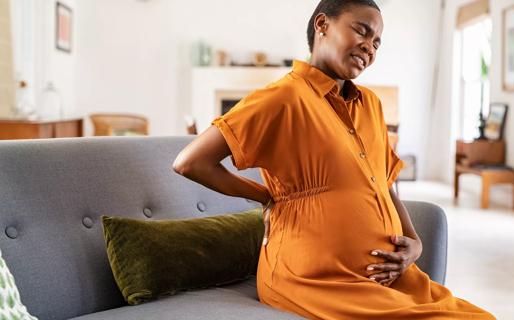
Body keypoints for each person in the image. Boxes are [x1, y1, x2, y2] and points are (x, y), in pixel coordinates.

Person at [172, 0, 495, 319]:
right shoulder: (282, 98)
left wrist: (415, 242)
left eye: (377, 42)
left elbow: (384, 182)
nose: (369, 47)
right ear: (323, 25)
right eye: (361, 31)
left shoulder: (370, 104)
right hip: (311, 278)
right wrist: (266, 196)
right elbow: (191, 162)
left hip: (385, 277)